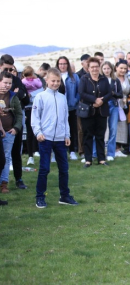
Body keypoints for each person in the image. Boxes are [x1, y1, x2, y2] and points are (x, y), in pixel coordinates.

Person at [31, 68, 78, 208]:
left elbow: (65, 118)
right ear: (46, 80)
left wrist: (67, 135)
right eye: (53, 81)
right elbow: (35, 117)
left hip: (60, 139)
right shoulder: (40, 97)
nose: (56, 83)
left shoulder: (62, 97)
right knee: (44, 168)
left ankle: (64, 195)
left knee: (64, 168)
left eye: (58, 81)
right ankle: (40, 197)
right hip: (45, 138)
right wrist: (38, 132)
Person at [78, 57, 112, 167]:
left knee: (100, 135)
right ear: (88, 68)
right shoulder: (84, 78)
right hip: (88, 111)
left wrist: (102, 100)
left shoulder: (104, 79)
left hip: (101, 111)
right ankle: (88, 160)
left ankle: (101, 159)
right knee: (88, 135)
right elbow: (81, 93)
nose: (94, 69)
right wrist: (94, 100)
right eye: (92, 67)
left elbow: (109, 93)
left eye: (96, 67)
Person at [0, 72, 22, 194]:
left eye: (10, 83)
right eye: (5, 82)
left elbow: (19, 114)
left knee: (7, 157)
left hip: (9, 131)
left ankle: (4, 183)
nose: (7, 85)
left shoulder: (13, 96)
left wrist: (16, 128)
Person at [56, 56, 80, 160]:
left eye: (64, 64)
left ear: (68, 65)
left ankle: (72, 151)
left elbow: (79, 91)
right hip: (57, 108)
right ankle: (58, 152)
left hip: (71, 107)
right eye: (60, 64)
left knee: (72, 129)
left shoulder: (74, 77)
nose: (62, 66)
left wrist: (75, 100)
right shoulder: (55, 76)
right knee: (58, 129)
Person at [22, 66, 44, 165]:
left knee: (41, 131)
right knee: (30, 132)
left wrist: (32, 94)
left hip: (38, 108)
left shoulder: (37, 80)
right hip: (28, 109)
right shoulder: (23, 82)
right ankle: (30, 155)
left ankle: (40, 152)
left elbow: (41, 91)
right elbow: (24, 95)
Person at [100, 61, 123, 161]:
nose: (106, 70)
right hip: (103, 105)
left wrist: (112, 93)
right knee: (101, 129)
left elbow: (120, 94)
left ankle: (110, 153)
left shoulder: (115, 80)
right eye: (104, 68)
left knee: (113, 129)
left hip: (113, 105)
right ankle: (99, 152)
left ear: (111, 69)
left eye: (108, 68)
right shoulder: (99, 80)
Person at [115, 60, 130, 157]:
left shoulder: (128, 78)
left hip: (124, 104)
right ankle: (112, 148)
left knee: (122, 126)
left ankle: (118, 148)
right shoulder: (113, 77)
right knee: (114, 126)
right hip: (114, 103)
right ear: (116, 67)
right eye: (121, 68)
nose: (123, 70)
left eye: (125, 68)